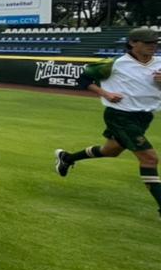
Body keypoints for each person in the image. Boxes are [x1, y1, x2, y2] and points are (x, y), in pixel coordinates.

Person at [54, 26, 161, 216]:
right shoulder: (115, 64)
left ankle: (67, 158)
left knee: (110, 151)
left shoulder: (159, 62)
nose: (153, 46)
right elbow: (84, 79)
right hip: (120, 116)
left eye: (155, 42)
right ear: (132, 43)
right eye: (147, 43)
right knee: (150, 158)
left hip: (144, 116)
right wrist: (106, 93)